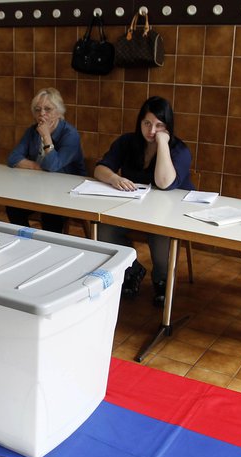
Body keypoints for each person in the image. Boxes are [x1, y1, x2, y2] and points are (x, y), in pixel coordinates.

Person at [94, 96, 194, 303]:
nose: (151, 130)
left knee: (160, 238)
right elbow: (100, 168)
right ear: (139, 122)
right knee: (104, 231)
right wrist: (114, 177)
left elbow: (164, 183)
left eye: (159, 125)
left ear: (168, 127)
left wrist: (163, 143)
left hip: (167, 215)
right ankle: (132, 270)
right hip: (132, 209)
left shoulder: (179, 150)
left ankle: (162, 280)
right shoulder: (127, 142)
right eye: (147, 123)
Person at [6, 87, 86, 233]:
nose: (42, 114)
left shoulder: (70, 134)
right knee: (13, 207)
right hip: (41, 187)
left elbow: (52, 165)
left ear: (59, 112)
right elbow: (13, 158)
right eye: (37, 110)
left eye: (48, 109)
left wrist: (46, 137)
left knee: (50, 214)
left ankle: (51, 249)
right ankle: (28, 241)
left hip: (68, 190)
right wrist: (37, 167)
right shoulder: (32, 131)